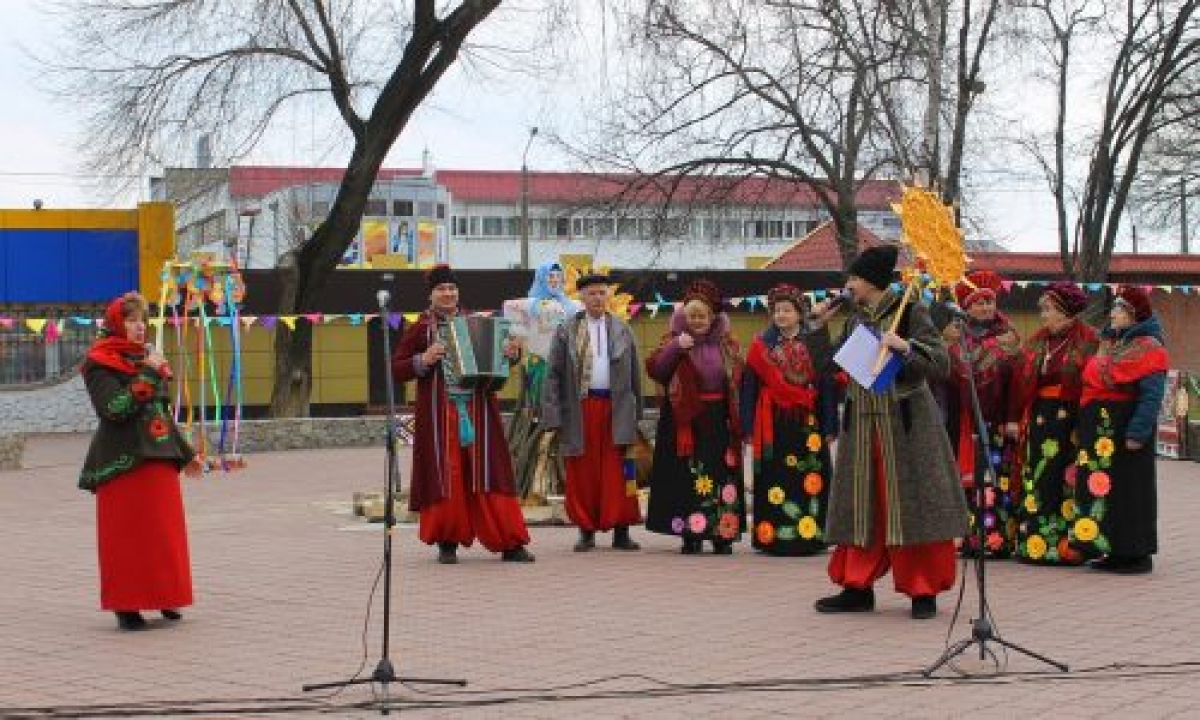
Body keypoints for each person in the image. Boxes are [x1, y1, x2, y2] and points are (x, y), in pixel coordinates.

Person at [811, 246, 968, 620]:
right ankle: (856, 586)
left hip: (905, 426)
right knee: (865, 505)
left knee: (910, 507)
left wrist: (906, 347)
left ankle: (923, 590)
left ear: (870, 281)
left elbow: (940, 362)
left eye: (853, 278)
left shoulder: (912, 310)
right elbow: (827, 368)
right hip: (863, 427)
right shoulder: (854, 320)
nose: (848, 285)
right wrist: (817, 327)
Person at [392, 264, 535, 564]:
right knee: (448, 475)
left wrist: (511, 355)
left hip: (479, 409)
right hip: (439, 415)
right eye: (442, 289)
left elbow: (499, 365)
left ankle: (509, 541)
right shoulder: (420, 328)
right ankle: (448, 540)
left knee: (490, 472)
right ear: (431, 295)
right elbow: (397, 368)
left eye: (452, 288)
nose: (448, 293)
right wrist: (424, 358)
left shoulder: (478, 323)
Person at [79, 292, 202, 631]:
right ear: (118, 323)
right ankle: (127, 605)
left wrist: (187, 454)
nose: (139, 328)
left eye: (143, 322)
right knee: (127, 537)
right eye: (132, 321)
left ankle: (164, 596)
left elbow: (160, 413)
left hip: (159, 461)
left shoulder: (148, 359)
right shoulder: (99, 362)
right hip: (122, 464)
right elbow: (114, 409)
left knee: (164, 536)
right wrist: (147, 375)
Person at [540, 272, 643, 552]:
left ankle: (621, 530)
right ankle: (586, 530)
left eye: (602, 293)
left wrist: (637, 413)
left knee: (619, 471)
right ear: (581, 298)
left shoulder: (623, 329)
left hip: (616, 408)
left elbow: (635, 374)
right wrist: (552, 414)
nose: (598, 298)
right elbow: (553, 374)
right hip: (580, 409)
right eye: (592, 293)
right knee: (582, 471)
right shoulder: (566, 331)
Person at [1070, 286, 1169, 574]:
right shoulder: (1113, 343)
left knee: (1130, 492)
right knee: (1107, 491)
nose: (1113, 313)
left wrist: (1137, 433)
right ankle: (1110, 548)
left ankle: (1135, 553)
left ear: (1134, 314)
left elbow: (1151, 395)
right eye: (1113, 308)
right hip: (1104, 433)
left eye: (1119, 309)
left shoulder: (1150, 348)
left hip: (1126, 431)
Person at [644, 279, 746, 555]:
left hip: (718, 420)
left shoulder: (727, 343)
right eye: (692, 316)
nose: (697, 320)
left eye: (702, 316)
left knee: (718, 475)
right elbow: (656, 370)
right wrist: (676, 346)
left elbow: (738, 377)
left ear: (713, 317)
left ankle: (722, 534)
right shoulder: (674, 341)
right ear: (683, 317)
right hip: (685, 420)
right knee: (688, 477)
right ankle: (691, 534)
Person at [741, 283, 838, 556]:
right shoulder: (761, 346)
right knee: (775, 477)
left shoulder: (814, 342)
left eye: (787, 310)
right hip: (772, 422)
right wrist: (747, 425)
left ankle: (811, 537)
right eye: (777, 310)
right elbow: (748, 387)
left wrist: (830, 424)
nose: (781, 315)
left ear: (800, 313)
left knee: (809, 475)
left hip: (807, 422)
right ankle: (772, 537)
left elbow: (827, 386)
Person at [1010, 281, 1098, 565]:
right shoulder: (1037, 340)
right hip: (1039, 417)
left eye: (1047, 309)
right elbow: (1019, 380)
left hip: (1072, 419)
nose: (1043, 314)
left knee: (1067, 477)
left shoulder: (1088, 340)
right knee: (1038, 475)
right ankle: (1035, 543)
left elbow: (1092, 381)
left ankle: (1068, 545)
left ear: (1065, 311)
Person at [948, 270, 1023, 558]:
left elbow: (1019, 381)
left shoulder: (1008, 338)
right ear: (967, 307)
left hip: (998, 423)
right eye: (979, 303)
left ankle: (998, 537)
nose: (986, 308)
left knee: (997, 478)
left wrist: (1012, 417)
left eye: (990, 302)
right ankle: (970, 537)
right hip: (964, 422)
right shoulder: (956, 339)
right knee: (968, 480)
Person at [503, 261, 579, 503]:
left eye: (558, 276)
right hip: (538, 369)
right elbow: (513, 329)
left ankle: (566, 477)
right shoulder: (527, 306)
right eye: (550, 276)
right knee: (538, 416)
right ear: (541, 278)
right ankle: (533, 476)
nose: (554, 280)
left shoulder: (573, 306)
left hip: (567, 371)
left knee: (565, 415)